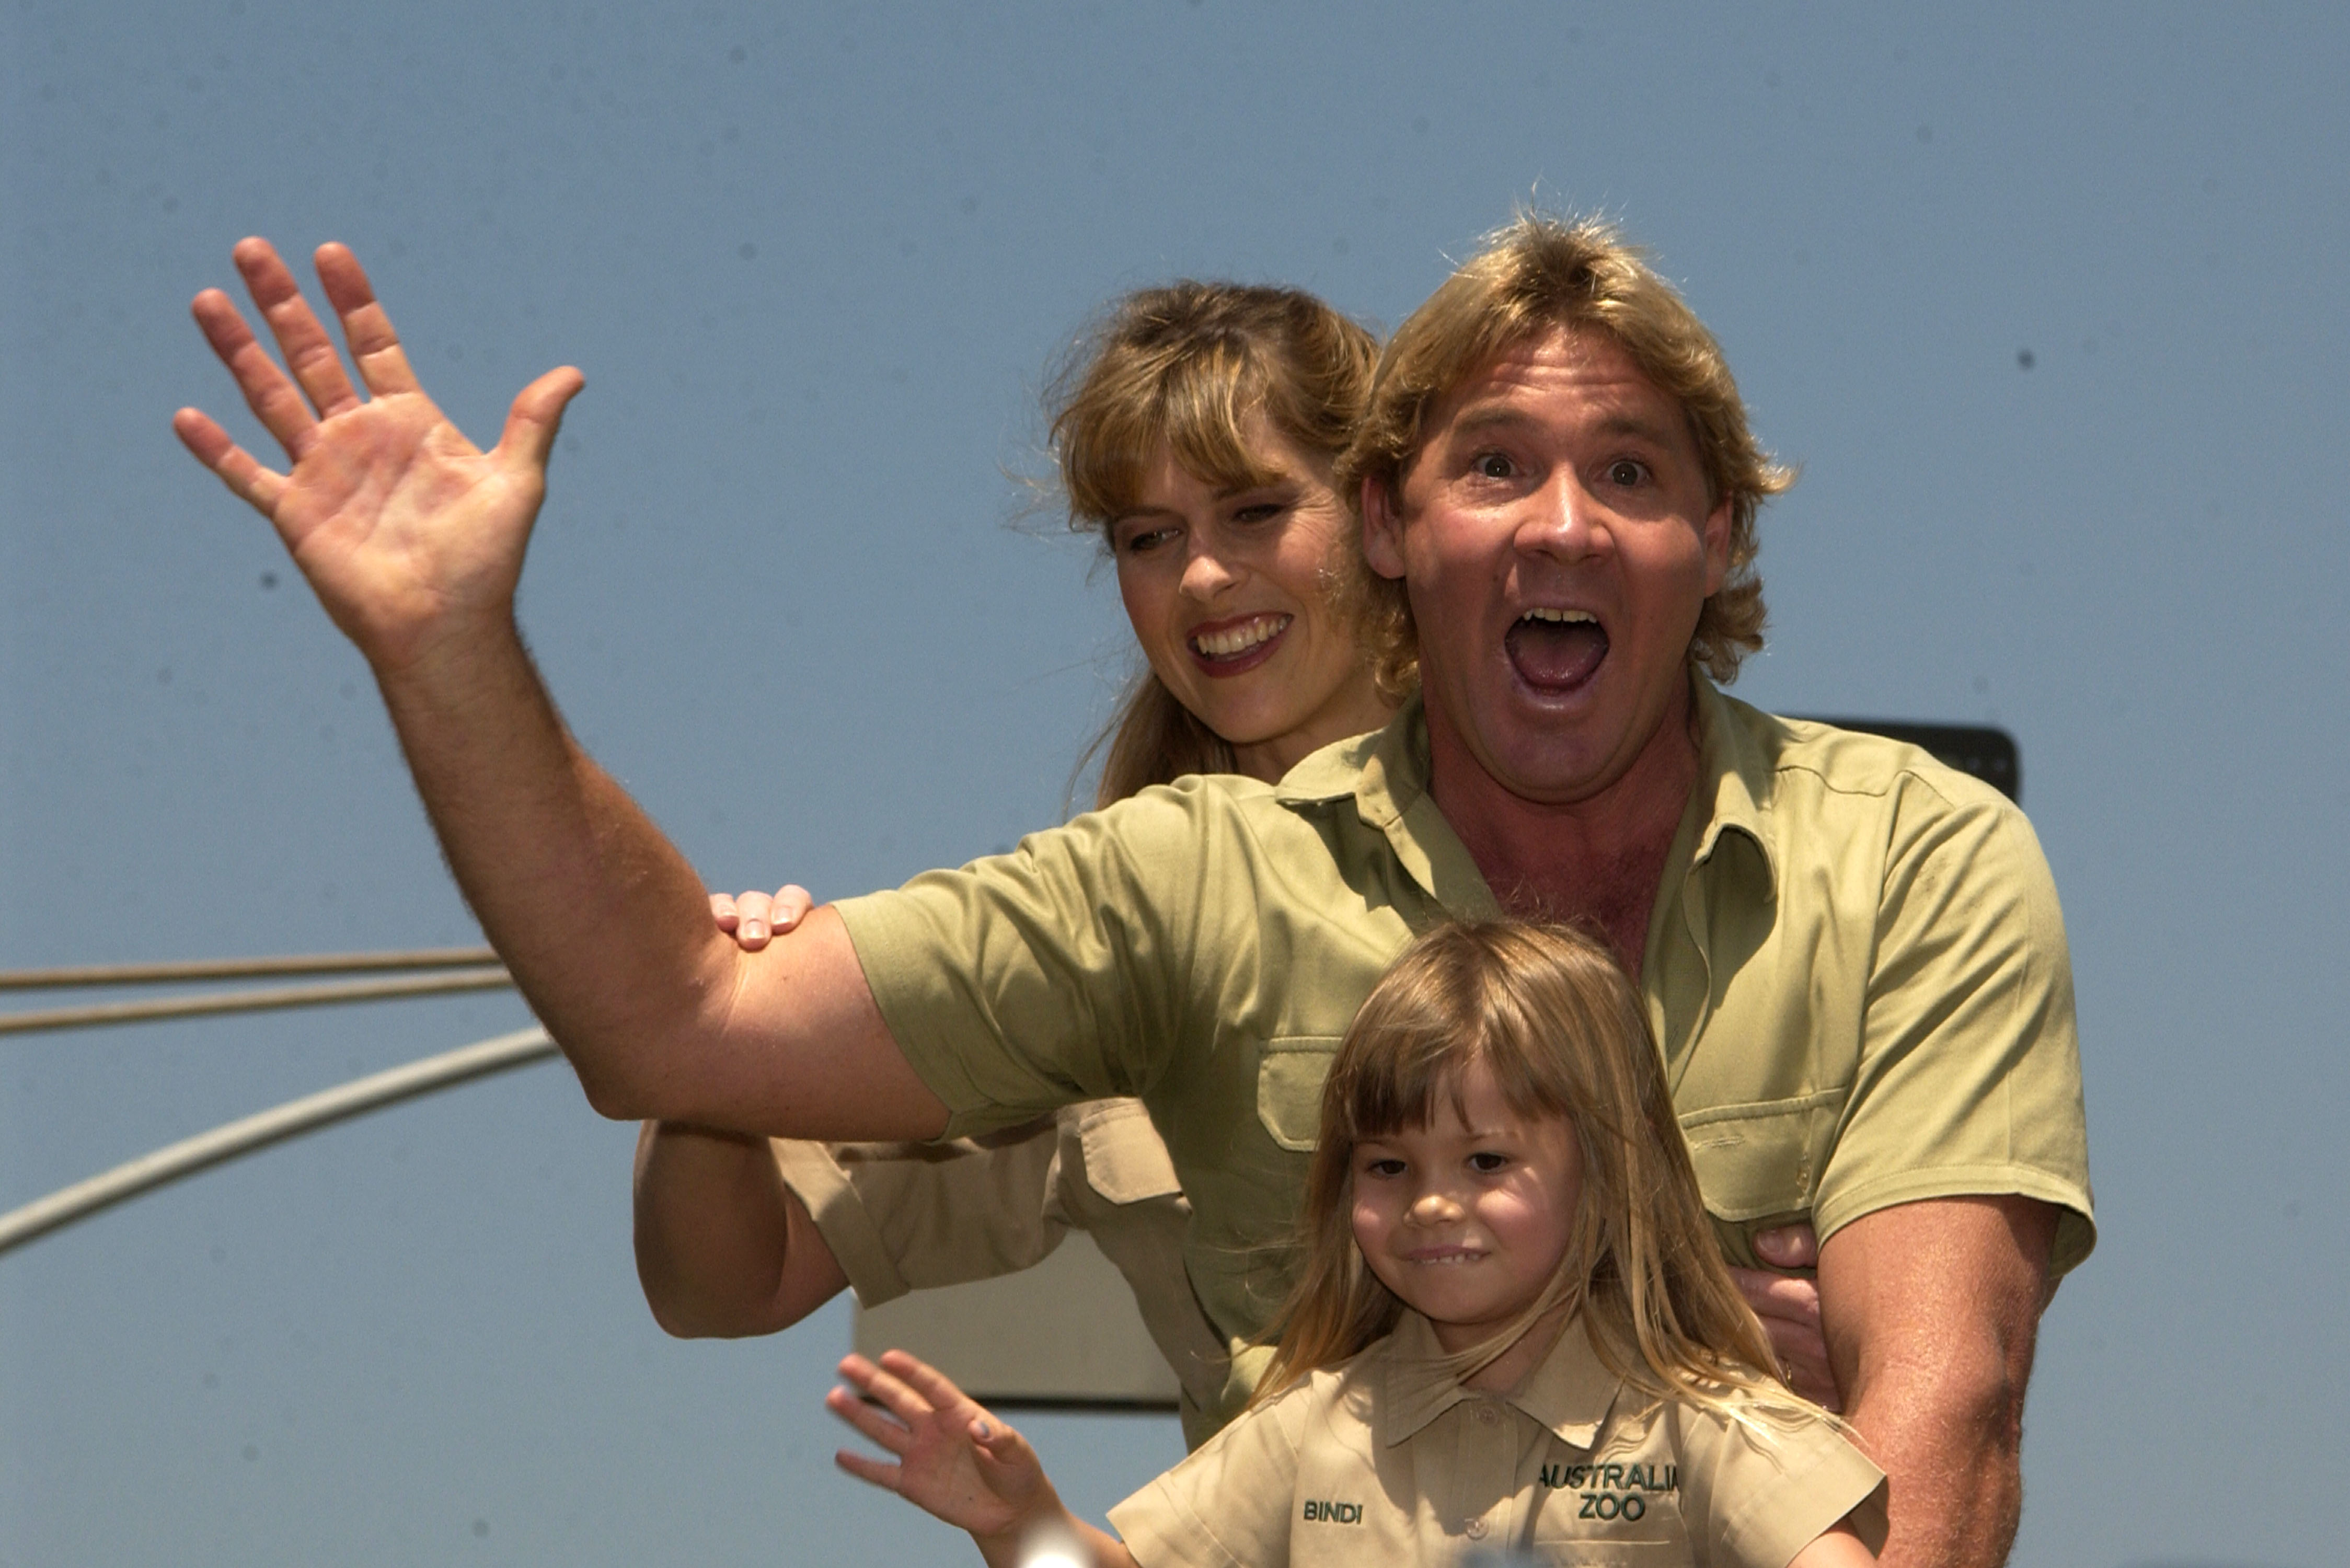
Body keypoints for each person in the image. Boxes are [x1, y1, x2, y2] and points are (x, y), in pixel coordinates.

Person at [174, 210, 2089, 1567]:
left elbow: (1945, 1407)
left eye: (1626, 471)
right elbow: (681, 1055)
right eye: (1494, 465)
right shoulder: (1171, 897)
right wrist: (448, 651)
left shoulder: (1903, 854)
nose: (1560, 524)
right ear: (1411, 521)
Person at [631, 283, 1397, 1445]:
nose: (1201, 576)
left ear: (1385, 513)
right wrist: (713, 1051)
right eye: (1149, 537)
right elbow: (724, 1286)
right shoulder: (1100, 939)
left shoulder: (1599, 833)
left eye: (1253, 511)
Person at [825, 921, 1885, 1568]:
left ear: (1605, 1177)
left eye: (1484, 1164)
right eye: (1388, 1167)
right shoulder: (1312, 1430)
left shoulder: (1711, 1430)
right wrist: (1017, 1527)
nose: (1430, 1206)